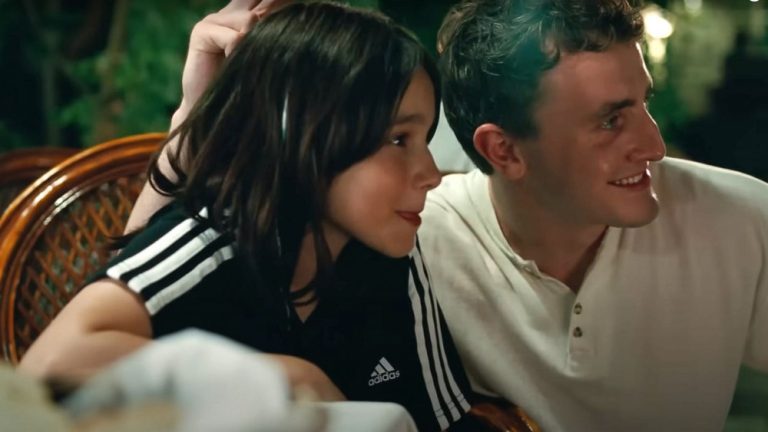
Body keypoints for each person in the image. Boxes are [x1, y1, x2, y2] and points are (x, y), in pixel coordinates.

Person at [18, 2, 474, 430]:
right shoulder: (212, 239)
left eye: (425, 139)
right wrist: (291, 376)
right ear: (304, 134)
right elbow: (48, 366)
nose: (432, 174)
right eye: (398, 140)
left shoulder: (392, 257)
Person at [416, 0, 768, 431]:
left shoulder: (739, 217)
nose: (655, 147)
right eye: (610, 121)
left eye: (644, 103)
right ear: (503, 151)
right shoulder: (417, 242)